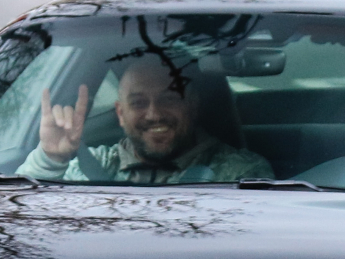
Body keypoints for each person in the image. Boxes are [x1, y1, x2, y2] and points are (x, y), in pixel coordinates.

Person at [23, 54, 272, 183]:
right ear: (120, 114)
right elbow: (19, 215)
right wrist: (52, 159)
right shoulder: (87, 169)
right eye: (139, 103)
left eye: (169, 99)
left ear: (193, 106)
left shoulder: (240, 173)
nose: (154, 114)